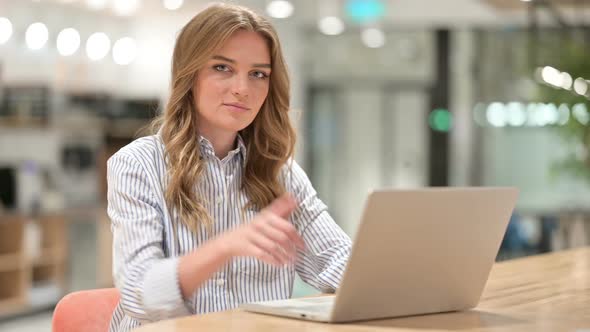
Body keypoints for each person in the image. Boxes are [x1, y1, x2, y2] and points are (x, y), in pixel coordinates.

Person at [106, 3, 352, 331]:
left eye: (258, 74)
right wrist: (222, 248)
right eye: (223, 68)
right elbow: (139, 294)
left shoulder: (281, 174)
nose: (242, 88)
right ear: (189, 73)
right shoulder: (137, 165)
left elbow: (338, 261)